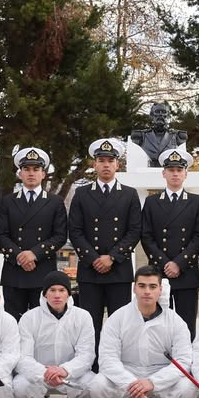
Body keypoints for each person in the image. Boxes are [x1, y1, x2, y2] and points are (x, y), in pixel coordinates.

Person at [90, 266, 197, 398]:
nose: (147, 291)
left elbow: (183, 361)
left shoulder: (175, 321)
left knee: (188, 387)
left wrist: (152, 382)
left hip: (161, 374)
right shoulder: (117, 318)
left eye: (153, 286)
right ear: (134, 288)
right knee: (97, 385)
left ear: (160, 289)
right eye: (142, 286)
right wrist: (132, 383)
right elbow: (107, 359)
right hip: (127, 373)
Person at [67, 138, 142, 367]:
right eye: (101, 160)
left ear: (117, 164)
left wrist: (112, 257)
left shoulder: (129, 194)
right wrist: (93, 258)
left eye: (110, 160)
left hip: (118, 269)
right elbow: (76, 231)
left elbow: (134, 230)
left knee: (120, 323)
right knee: (91, 323)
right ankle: (91, 365)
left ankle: (118, 365)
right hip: (90, 271)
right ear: (94, 164)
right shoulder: (82, 194)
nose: (106, 164)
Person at [13, 271, 96, 398]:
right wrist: (45, 372)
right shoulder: (30, 318)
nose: (57, 295)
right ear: (44, 294)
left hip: (70, 373)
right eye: (52, 290)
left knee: (93, 384)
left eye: (62, 290)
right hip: (38, 374)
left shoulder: (82, 316)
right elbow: (23, 358)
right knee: (21, 386)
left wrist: (64, 370)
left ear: (68, 293)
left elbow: (86, 355)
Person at [0, 146, 68, 322]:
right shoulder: (8, 201)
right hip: (15, 270)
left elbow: (60, 236)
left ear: (44, 174)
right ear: (20, 174)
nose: (31, 173)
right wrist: (20, 256)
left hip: (42, 270)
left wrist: (34, 254)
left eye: (36, 169)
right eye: (26, 169)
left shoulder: (54, 202)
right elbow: (1, 235)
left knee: (43, 323)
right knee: (13, 322)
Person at [140, 147, 199, 338]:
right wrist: (165, 263)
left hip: (186, 271)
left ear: (186, 174)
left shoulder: (197, 202)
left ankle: (186, 364)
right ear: (164, 173)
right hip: (159, 273)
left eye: (179, 170)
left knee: (186, 325)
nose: (175, 174)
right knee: (156, 324)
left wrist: (179, 263)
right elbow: (146, 236)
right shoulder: (152, 202)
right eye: (171, 170)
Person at [130, 101, 188, 167]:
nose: (160, 115)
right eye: (157, 112)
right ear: (152, 115)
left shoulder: (178, 136)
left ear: (168, 115)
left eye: (163, 112)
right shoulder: (140, 136)